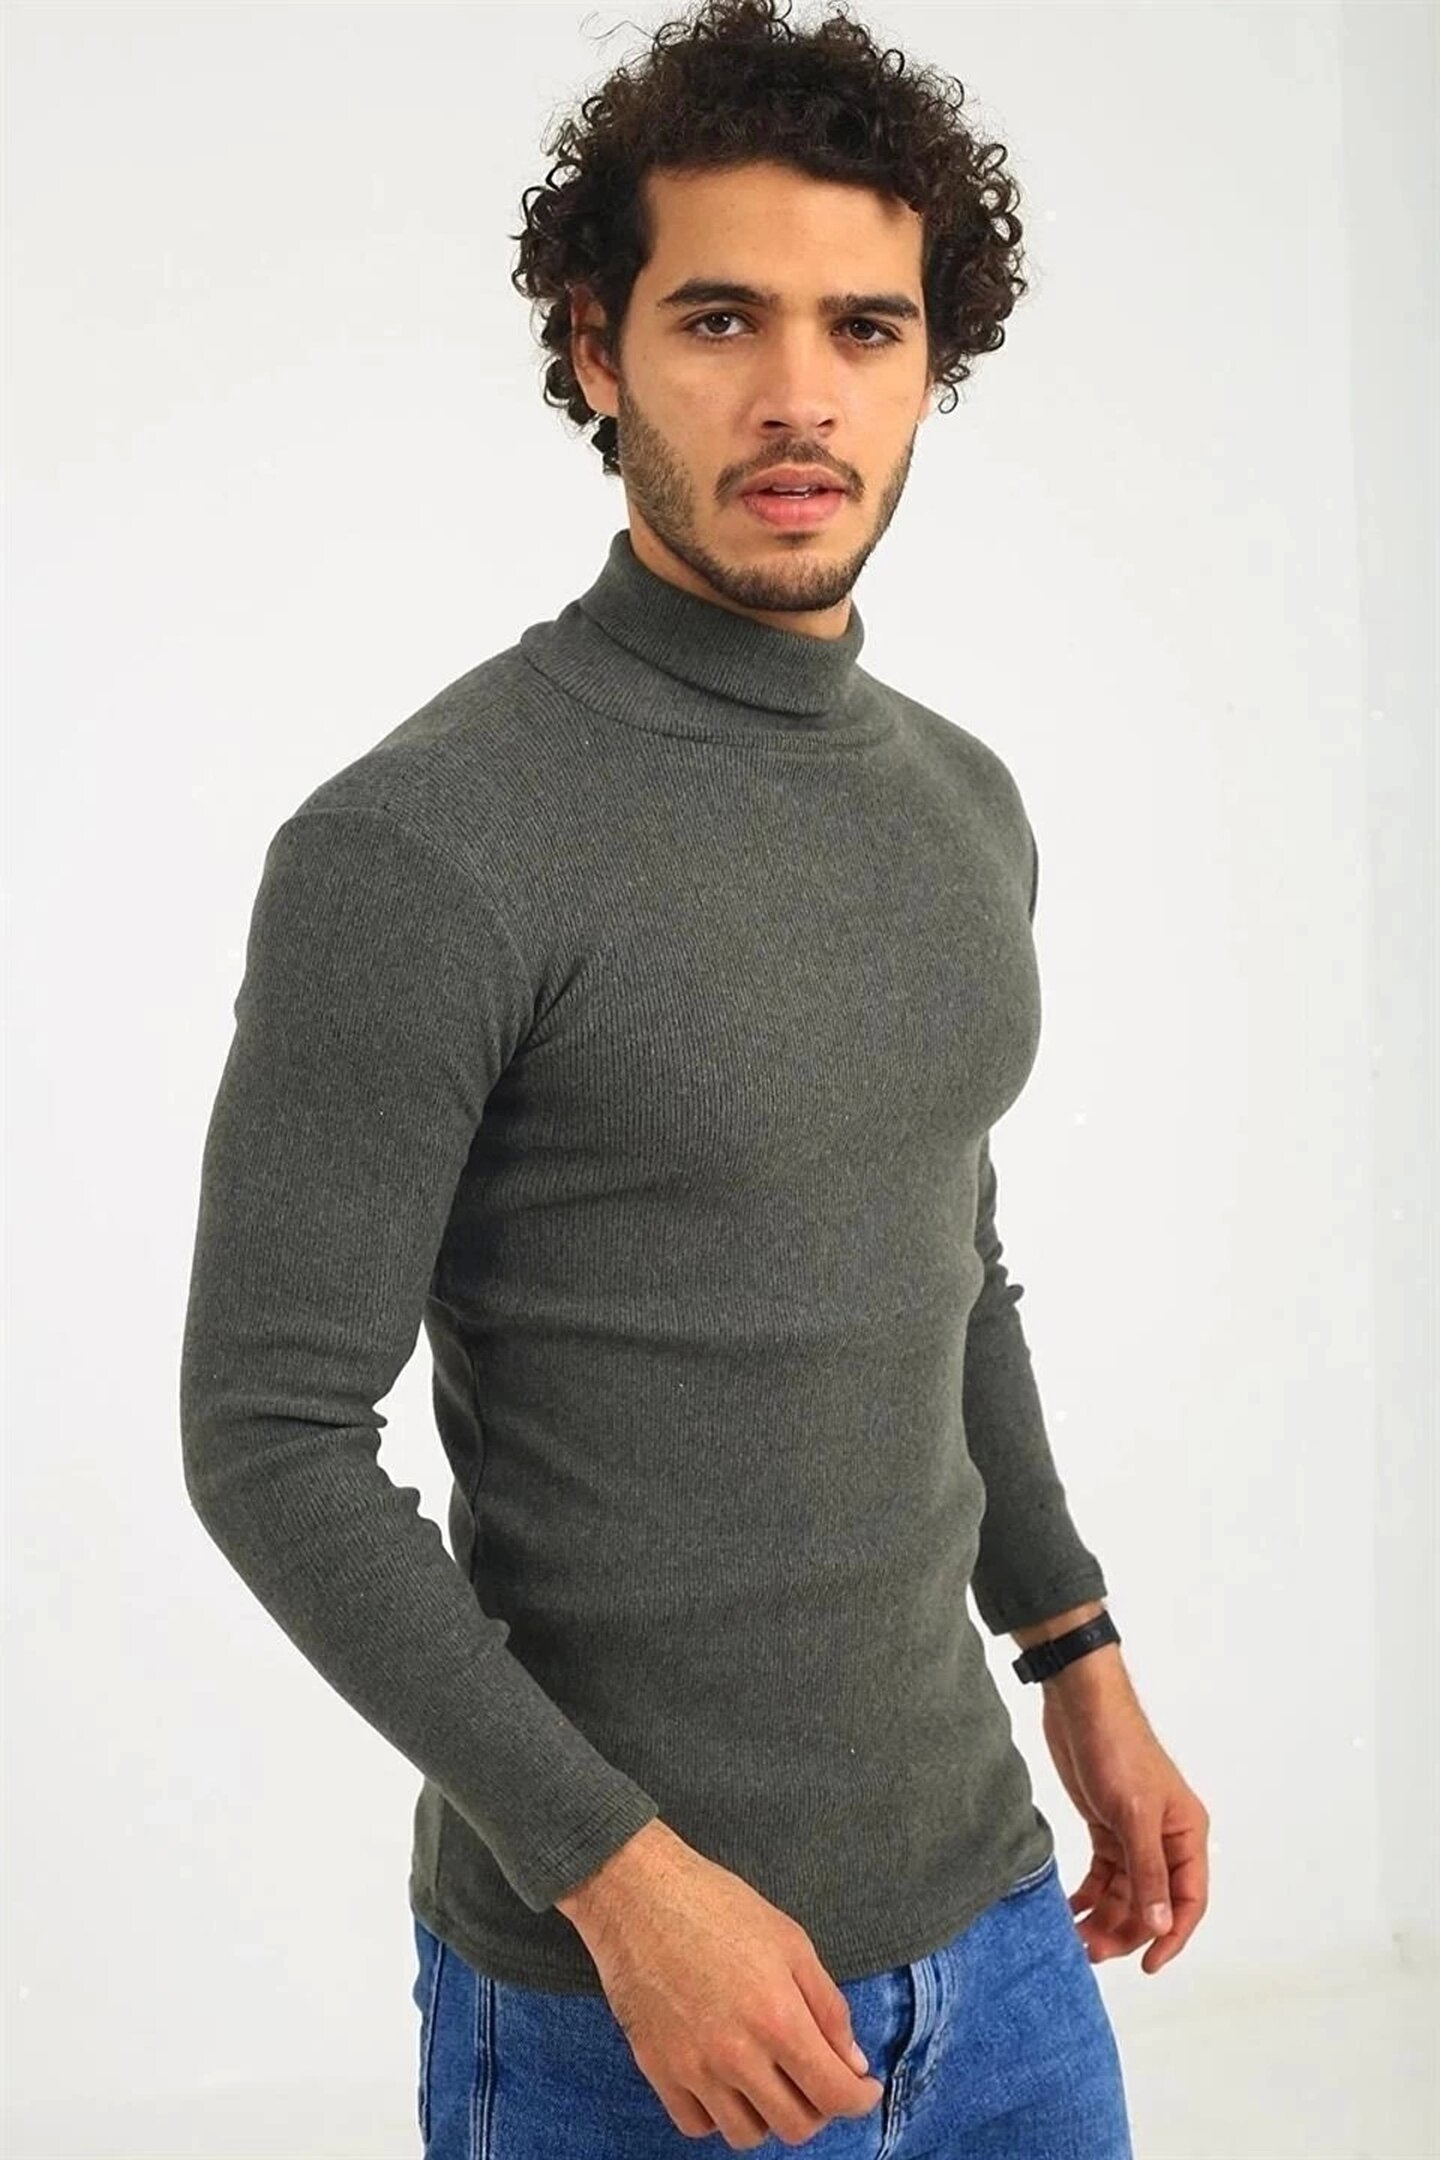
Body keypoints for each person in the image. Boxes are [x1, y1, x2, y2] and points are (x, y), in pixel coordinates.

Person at [179, 0, 1210, 2150]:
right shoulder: (423, 844)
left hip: (1003, 1937)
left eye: (867, 328)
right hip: (626, 2009)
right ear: (597, 346)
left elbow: (947, 1261)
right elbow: (270, 1439)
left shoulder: (963, 802)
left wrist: (1079, 1652)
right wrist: (625, 1886)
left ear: (932, 367)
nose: (799, 395)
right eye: (722, 318)